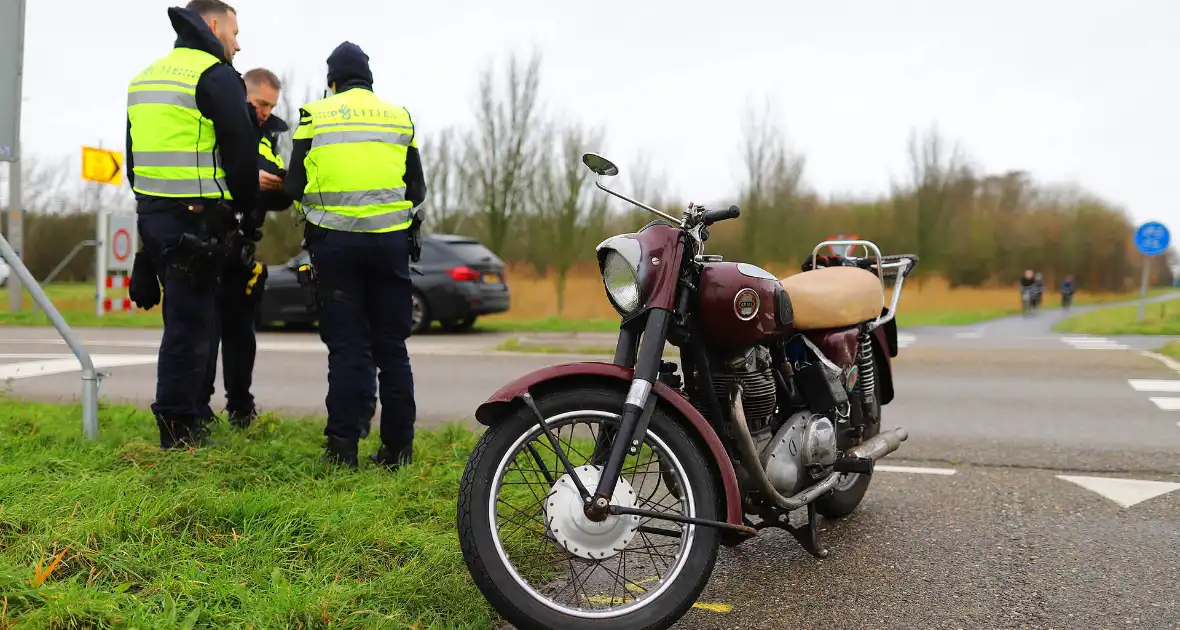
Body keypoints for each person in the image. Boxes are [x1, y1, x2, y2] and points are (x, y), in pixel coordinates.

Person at [283, 42, 427, 470]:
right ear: (369, 79)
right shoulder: (399, 116)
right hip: (389, 248)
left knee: (346, 351)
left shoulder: (314, 115)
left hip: (336, 248)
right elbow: (416, 191)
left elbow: (293, 187)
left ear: (332, 81)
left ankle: (343, 449)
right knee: (393, 351)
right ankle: (398, 450)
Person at [125, 0, 259, 449]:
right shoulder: (214, 75)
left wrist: (147, 230)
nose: (237, 45)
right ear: (214, 24)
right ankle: (178, 429)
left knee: (181, 321)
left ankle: (188, 416)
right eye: (234, 33)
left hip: (154, 215)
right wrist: (244, 207)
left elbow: (134, 161)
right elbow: (240, 151)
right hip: (196, 220)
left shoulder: (144, 77)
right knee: (191, 327)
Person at [199, 67, 293, 429]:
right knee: (205, 332)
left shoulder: (269, 135)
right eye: (260, 103)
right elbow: (206, 169)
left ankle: (240, 406)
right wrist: (246, 177)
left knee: (241, 334)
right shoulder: (220, 120)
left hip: (243, 245)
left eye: (271, 105)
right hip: (211, 239)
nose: (266, 112)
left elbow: (275, 180)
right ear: (244, 95)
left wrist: (270, 187)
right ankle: (200, 408)